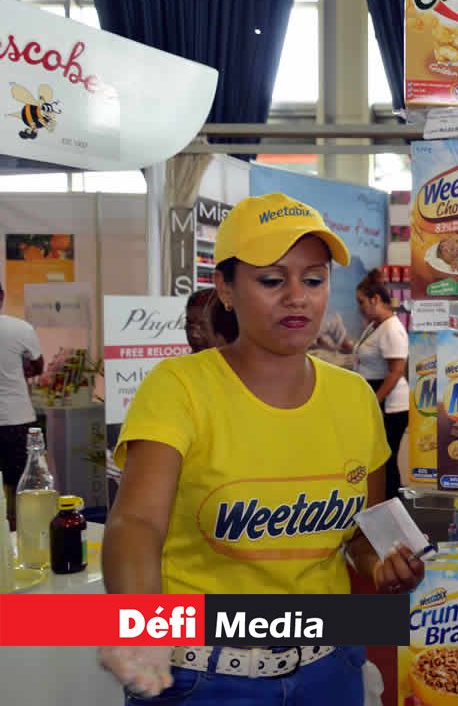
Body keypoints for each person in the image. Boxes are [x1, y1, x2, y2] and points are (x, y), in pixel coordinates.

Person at [100, 193, 424, 705]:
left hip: (330, 667)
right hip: (202, 678)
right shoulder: (179, 388)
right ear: (225, 289)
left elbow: (365, 535)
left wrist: (385, 564)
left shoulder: (355, 398)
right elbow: (136, 522)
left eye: (313, 280)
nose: (297, 297)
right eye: (272, 280)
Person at [352, 270, 410, 501]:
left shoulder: (391, 329)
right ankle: (382, 503)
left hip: (390, 403)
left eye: (362, 302)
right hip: (377, 396)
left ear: (375, 300)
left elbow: (396, 372)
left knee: (386, 458)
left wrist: (374, 401)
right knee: (378, 457)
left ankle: (391, 505)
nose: (360, 308)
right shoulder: (375, 326)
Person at [0, 279, 44, 525]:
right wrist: (21, 369)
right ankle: (20, 535)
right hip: (18, 418)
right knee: (22, 485)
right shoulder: (20, 329)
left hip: (16, 417)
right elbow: (38, 365)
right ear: (2, 296)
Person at [183, 288, 236, 353]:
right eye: (189, 323)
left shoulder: (245, 361)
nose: (194, 334)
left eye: (202, 326)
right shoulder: (181, 362)